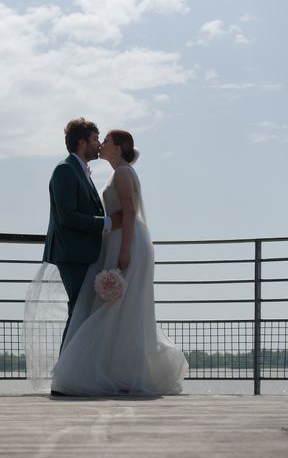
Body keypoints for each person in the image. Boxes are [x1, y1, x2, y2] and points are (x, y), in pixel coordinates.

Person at [49, 129, 189, 396]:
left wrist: (124, 251)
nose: (100, 144)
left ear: (118, 147)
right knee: (116, 310)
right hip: (115, 242)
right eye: (97, 140)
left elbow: (128, 211)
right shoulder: (116, 172)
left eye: (106, 141)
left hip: (126, 242)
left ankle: (116, 372)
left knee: (121, 310)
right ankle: (113, 371)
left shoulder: (123, 173)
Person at [42, 118, 122, 353]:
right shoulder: (65, 170)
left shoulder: (79, 170)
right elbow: (67, 216)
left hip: (82, 252)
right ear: (81, 142)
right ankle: (65, 376)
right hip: (72, 252)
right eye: (95, 139)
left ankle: (73, 372)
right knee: (78, 311)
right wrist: (108, 222)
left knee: (81, 310)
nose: (98, 145)